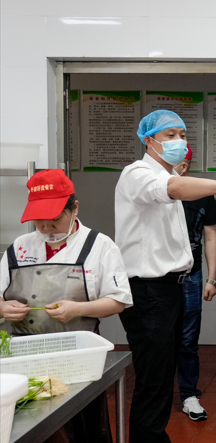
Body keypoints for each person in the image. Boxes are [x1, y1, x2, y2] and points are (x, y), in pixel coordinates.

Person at [116, 110, 216, 442]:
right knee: (153, 380)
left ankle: (155, 435)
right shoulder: (138, 173)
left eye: (182, 135)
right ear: (148, 140)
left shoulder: (168, 176)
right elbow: (172, 187)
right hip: (148, 291)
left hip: (173, 288)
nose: (179, 141)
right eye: (169, 135)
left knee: (164, 373)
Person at [0, 169, 132, 442]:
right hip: (25, 355)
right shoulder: (20, 247)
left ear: (75, 209)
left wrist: (77, 309)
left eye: (54, 220)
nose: (47, 228)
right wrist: (2, 309)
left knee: (84, 429)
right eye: (39, 222)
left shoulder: (100, 246)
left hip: (78, 356)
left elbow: (118, 301)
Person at [171, 145, 216, 421]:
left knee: (188, 340)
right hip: (158, 279)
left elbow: (210, 236)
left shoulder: (203, 195)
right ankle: (157, 395)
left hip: (192, 276)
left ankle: (189, 395)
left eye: (183, 162)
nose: (180, 166)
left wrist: (212, 278)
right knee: (161, 339)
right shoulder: (154, 192)